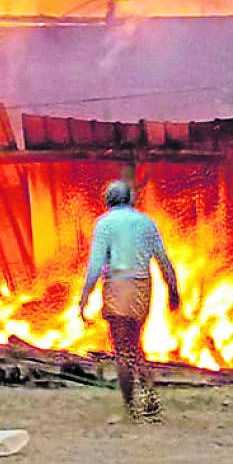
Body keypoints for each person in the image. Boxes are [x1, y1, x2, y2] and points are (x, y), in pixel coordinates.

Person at [78, 179, 181, 422]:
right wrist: (173, 289)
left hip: (118, 287)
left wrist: (84, 296)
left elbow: (95, 266)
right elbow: (164, 259)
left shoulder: (104, 224)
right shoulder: (147, 222)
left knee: (123, 350)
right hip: (143, 288)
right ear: (131, 199)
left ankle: (131, 409)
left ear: (107, 200)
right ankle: (150, 401)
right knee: (135, 346)